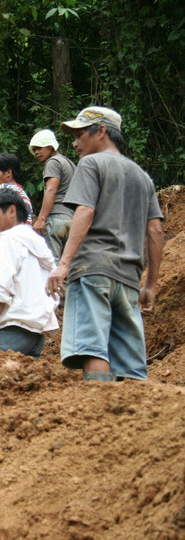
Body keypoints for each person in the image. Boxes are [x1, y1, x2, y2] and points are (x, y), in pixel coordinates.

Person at [46, 106, 164, 382]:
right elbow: (156, 230)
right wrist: (151, 285)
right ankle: (136, 422)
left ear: (101, 131)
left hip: (92, 270)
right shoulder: (143, 177)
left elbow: (85, 212)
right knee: (131, 364)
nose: (74, 143)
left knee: (92, 348)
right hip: (129, 278)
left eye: (79, 134)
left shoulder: (91, 164)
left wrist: (63, 265)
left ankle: (95, 420)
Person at [0, 189, 59, 359]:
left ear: (11, 211)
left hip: (5, 332)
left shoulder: (7, 239)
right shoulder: (37, 243)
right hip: (34, 335)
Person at [28, 129, 77, 263]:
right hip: (71, 220)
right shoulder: (69, 163)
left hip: (56, 220)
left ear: (50, 147)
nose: (36, 152)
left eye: (39, 148)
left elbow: (51, 190)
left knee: (51, 266)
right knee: (66, 268)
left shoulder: (53, 162)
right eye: (34, 149)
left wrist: (41, 219)